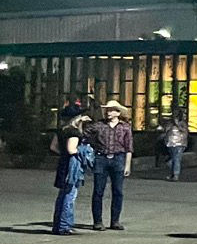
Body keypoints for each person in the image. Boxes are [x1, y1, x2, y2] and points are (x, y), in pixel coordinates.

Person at [89, 100, 135, 231]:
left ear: (118, 112)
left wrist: (127, 165)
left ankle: (115, 221)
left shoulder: (125, 127)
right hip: (101, 158)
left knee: (118, 191)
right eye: (107, 110)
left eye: (111, 110)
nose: (108, 112)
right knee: (98, 191)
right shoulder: (99, 125)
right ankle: (97, 221)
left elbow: (129, 147)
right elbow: (85, 135)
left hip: (118, 158)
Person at [50, 110, 90, 235]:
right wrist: (84, 151)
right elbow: (72, 149)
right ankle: (64, 226)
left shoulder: (61, 130)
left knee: (62, 196)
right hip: (71, 166)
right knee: (69, 196)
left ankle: (57, 225)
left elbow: (53, 147)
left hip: (63, 164)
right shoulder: (73, 132)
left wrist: (62, 154)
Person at [161, 114, 189, 182]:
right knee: (171, 160)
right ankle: (173, 174)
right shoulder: (170, 123)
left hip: (179, 144)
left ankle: (175, 175)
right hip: (170, 143)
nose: (174, 118)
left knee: (176, 159)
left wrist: (177, 125)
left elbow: (185, 131)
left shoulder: (182, 123)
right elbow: (166, 130)